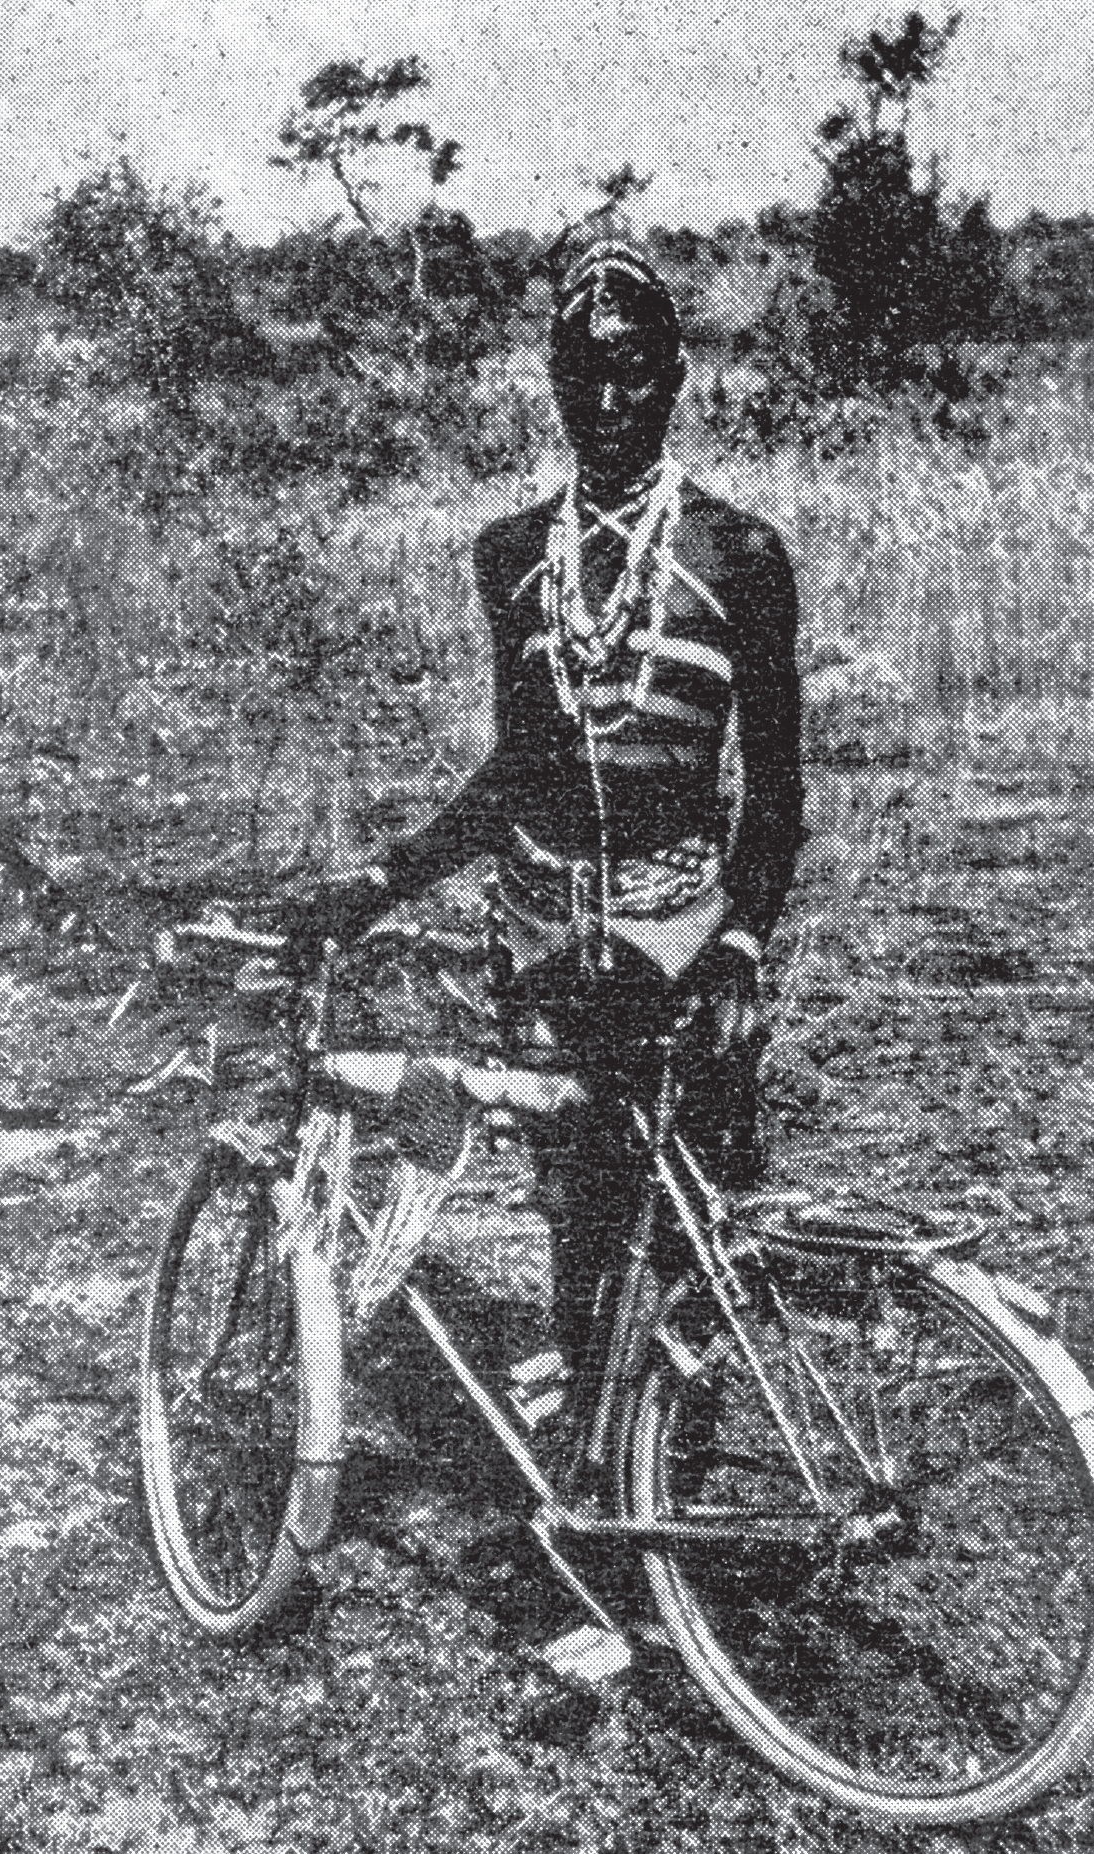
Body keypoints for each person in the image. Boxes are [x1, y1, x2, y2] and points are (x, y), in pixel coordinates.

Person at [322, 239, 805, 1372]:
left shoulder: (737, 556)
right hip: (546, 942)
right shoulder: (511, 559)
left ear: (676, 376)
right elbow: (520, 773)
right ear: (548, 382)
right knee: (577, 1213)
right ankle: (593, 1483)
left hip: (677, 938)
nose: (606, 399)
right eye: (580, 373)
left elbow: (775, 791)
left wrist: (737, 943)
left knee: (684, 1227)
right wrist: (384, 879)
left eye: (633, 369)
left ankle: (663, 1487)